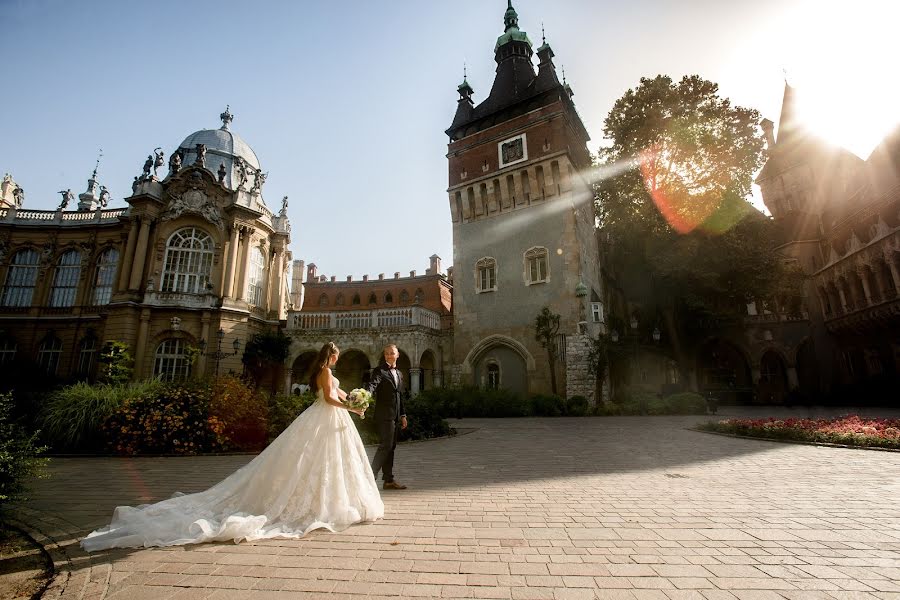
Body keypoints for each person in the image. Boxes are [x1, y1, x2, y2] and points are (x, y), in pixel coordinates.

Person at [80, 342, 383, 551]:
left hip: (326, 419)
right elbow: (330, 398)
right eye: (336, 357)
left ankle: (323, 500)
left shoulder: (326, 373)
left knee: (321, 461)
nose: (336, 361)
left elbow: (338, 393)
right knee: (316, 460)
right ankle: (321, 503)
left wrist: (353, 399)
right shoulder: (325, 372)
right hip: (325, 416)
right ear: (330, 357)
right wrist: (352, 409)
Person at [366, 343, 408, 490]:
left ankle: (389, 480)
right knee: (386, 445)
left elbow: (400, 395)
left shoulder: (400, 373)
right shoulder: (380, 371)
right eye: (386, 353)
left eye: (392, 353)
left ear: (397, 355)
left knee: (392, 446)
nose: (389, 355)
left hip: (395, 415)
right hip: (384, 414)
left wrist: (402, 415)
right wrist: (365, 395)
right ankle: (369, 478)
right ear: (384, 356)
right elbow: (372, 385)